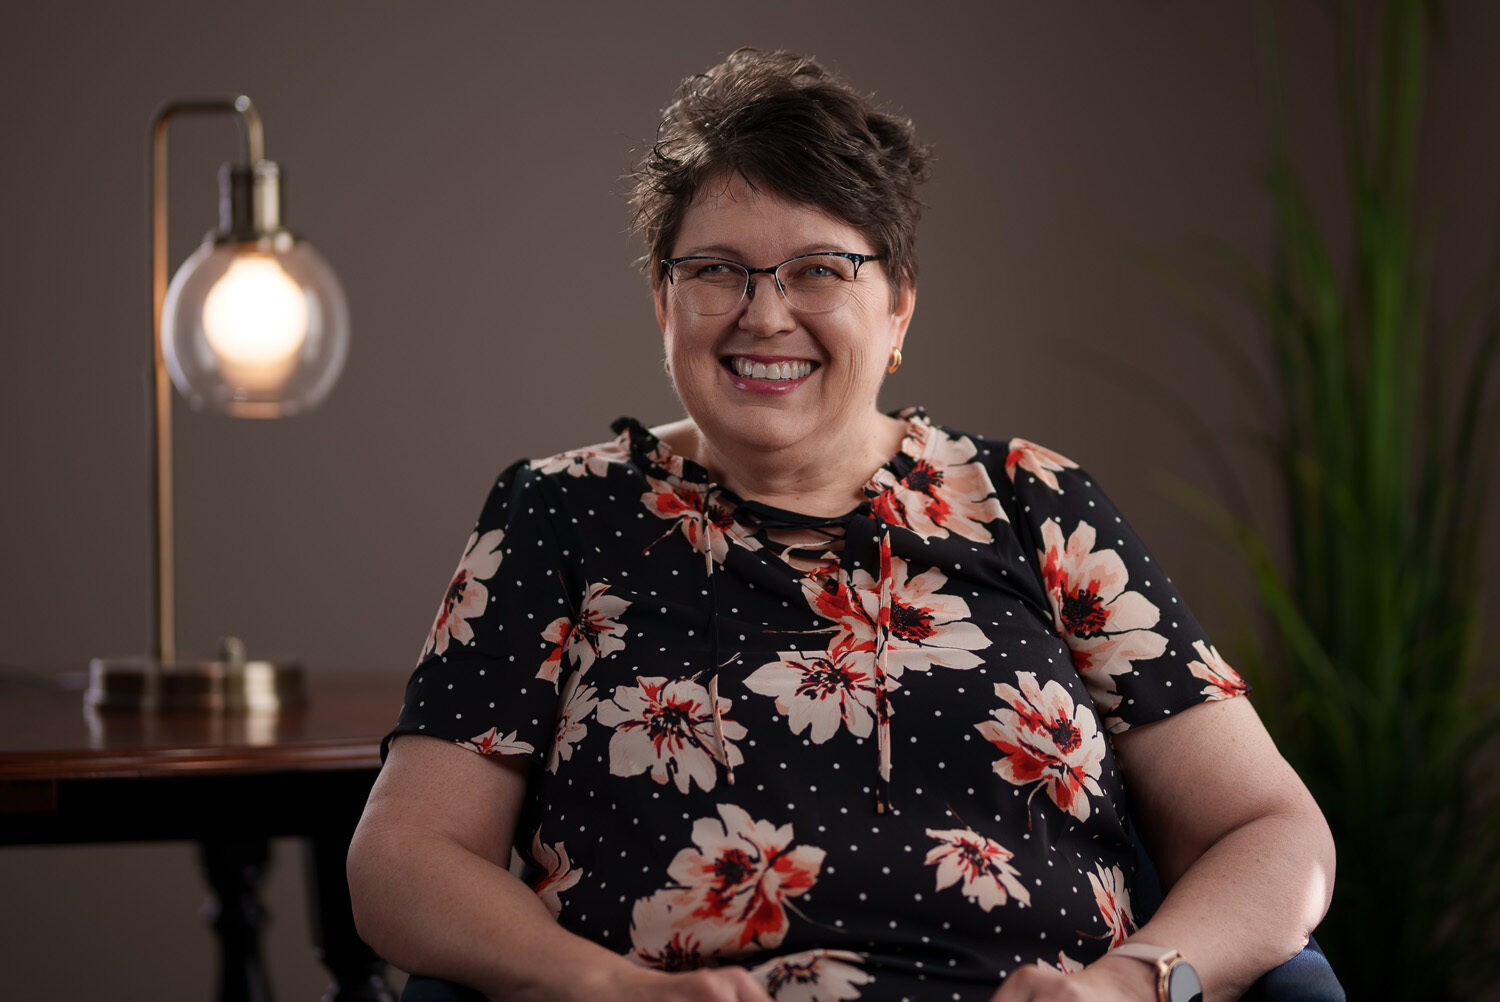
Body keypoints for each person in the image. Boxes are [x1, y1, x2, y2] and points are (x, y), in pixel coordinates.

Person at [348, 49, 1335, 1002]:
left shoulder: (1036, 502)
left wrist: (1133, 984)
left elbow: (1272, 830)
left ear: (898, 307)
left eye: (820, 270)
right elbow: (404, 858)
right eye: (718, 272)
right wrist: (600, 987)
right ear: (663, 300)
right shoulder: (560, 513)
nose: (765, 315)